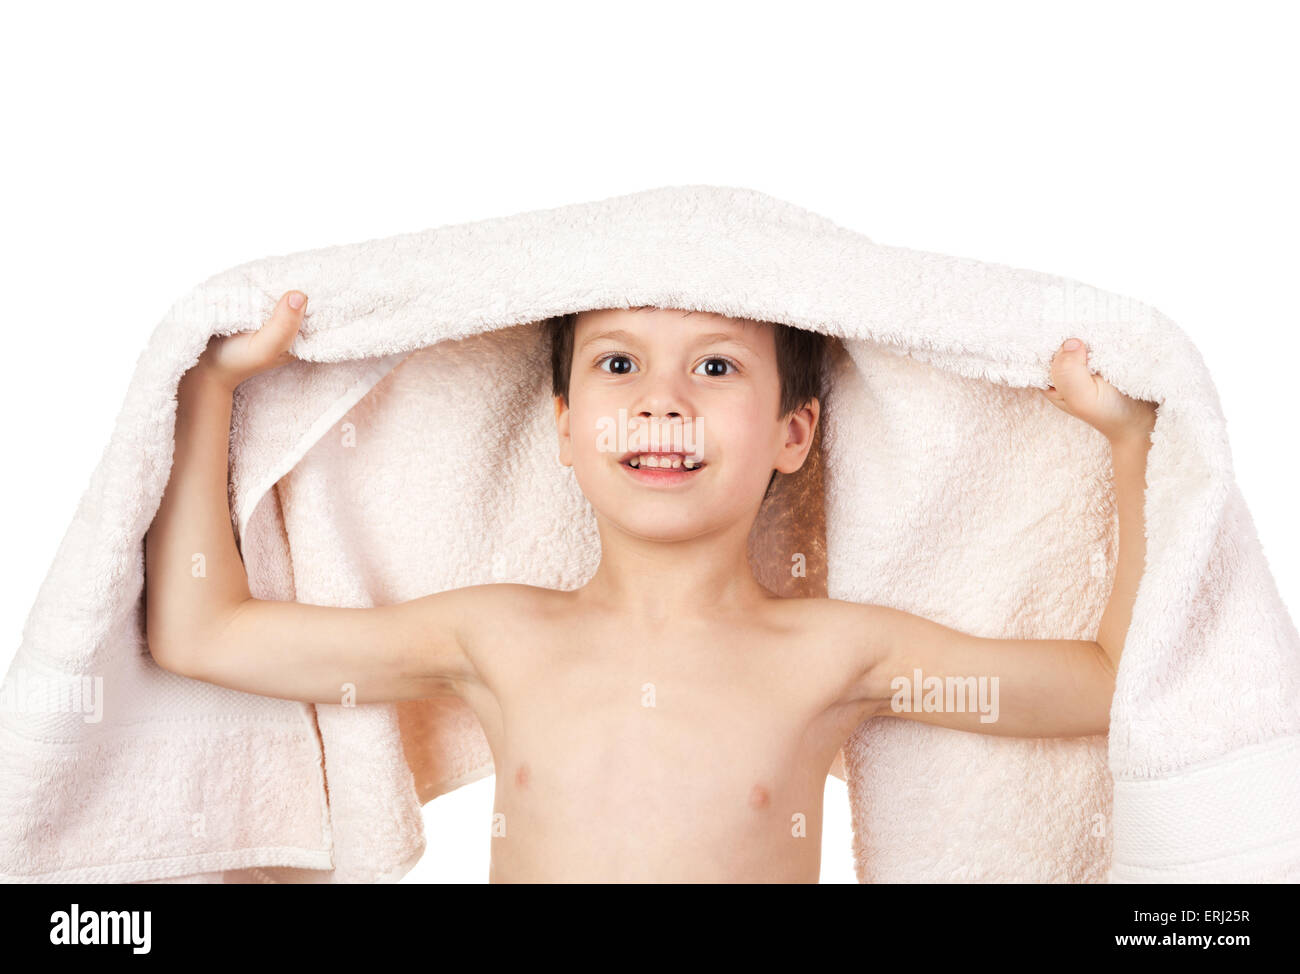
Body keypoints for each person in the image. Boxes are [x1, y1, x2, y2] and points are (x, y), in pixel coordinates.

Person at [145, 289, 1157, 883]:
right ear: (563, 426)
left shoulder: (836, 653)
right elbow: (202, 633)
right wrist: (211, 391)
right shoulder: (495, 637)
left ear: (792, 433)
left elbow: (1112, 681)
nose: (662, 402)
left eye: (715, 370)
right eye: (618, 365)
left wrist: (1130, 444)